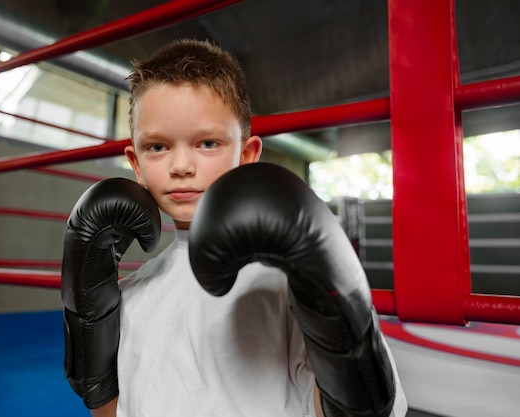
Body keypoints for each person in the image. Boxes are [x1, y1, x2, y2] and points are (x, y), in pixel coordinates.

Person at [61, 39, 408, 417]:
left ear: (247, 155)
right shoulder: (131, 294)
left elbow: (364, 411)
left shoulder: (283, 286)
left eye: (208, 143)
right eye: (157, 147)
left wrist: (331, 289)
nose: (181, 165)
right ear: (136, 162)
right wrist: (87, 329)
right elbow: (112, 412)